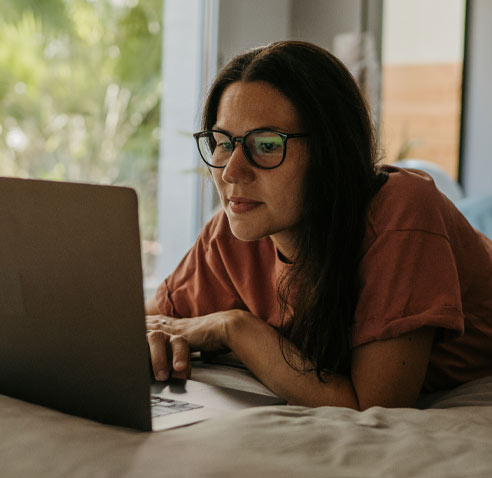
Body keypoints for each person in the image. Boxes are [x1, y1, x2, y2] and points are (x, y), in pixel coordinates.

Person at [145, 40, 492, 409]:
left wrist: (234, 328)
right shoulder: (233, 233)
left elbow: (374, 406)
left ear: (329, 153)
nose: (231, 172)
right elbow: (150, 320)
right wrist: (153, 341)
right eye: (223, 142)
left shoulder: (401, 211)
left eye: (266, 145)